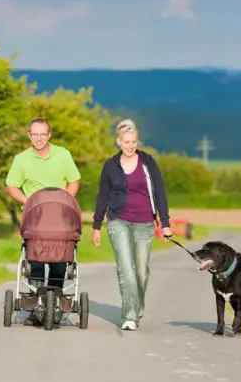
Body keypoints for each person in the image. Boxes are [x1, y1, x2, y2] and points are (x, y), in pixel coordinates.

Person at [91, 118, 172, 331]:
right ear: (118, 141)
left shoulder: (148, 162)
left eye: (134, 141)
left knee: (142, 271)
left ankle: (137, 304)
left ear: (137, 141)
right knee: (126, 268)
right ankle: (129, 316)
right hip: (118, 221)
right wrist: (96, 225)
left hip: (145, 222)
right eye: (126, 141)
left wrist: (164, 222)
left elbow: (160, 192)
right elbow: (102, 196)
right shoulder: (110, 166)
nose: (130, 145)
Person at [5, 117, 81, 324]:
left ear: (49, 135)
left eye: (42, 134)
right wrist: (28, 200)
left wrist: (66, 199)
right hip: (36, 219)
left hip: (60, 217)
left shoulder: (63, 155)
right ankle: (37, 305)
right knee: (35, 260)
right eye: (35, 134)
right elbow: (11, 185)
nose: (39, 138)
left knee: (59, 260)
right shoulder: (21, 159)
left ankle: (54, 304)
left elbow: (74, 181)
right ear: (29, 136)